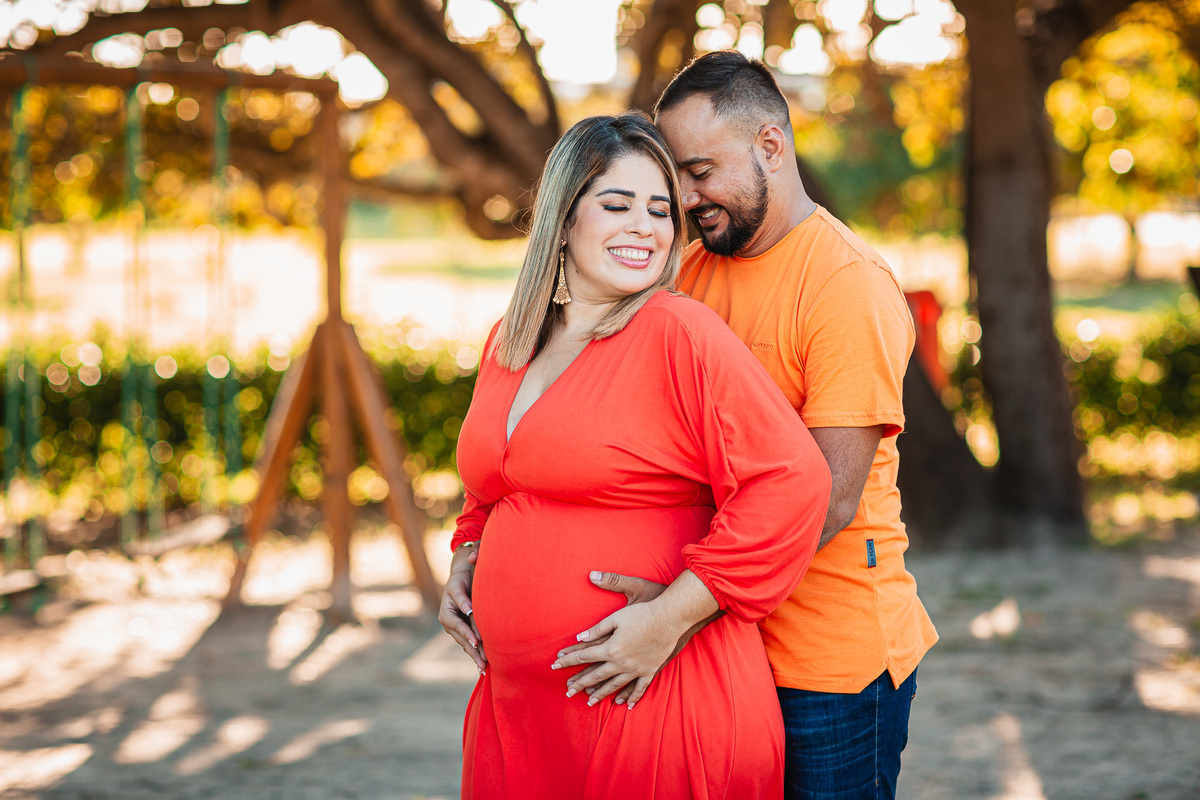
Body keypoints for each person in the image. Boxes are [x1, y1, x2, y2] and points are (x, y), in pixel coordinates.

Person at [554, 53, 939, 800]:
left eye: (701, 171)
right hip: (715, 644)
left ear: (771, 145)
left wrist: (672, 614)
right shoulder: (692, 270)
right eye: (679, 179)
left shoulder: (846, 287)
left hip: (825, 664)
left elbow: (822, 501)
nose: (688, 198)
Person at [437, 112, 832, 799]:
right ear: (563, 219)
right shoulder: (513, 337)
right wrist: (469, 556)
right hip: (524, 712)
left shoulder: (678, 332)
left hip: (650, 695)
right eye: (616, 205)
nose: (645, 227)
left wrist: (669, 617)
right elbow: (495, 479)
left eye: (659, 210)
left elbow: (790, 483)